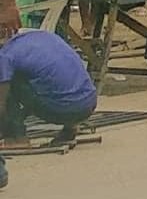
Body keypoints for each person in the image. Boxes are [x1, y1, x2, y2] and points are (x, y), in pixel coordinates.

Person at [0, 28, 96, 180]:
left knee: (7, 82)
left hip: (61, 109)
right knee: (50, 76)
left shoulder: (6, 54)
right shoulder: (45, 35)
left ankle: (16, 137)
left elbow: (1, 102)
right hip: (88, 103)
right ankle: (70, 128)